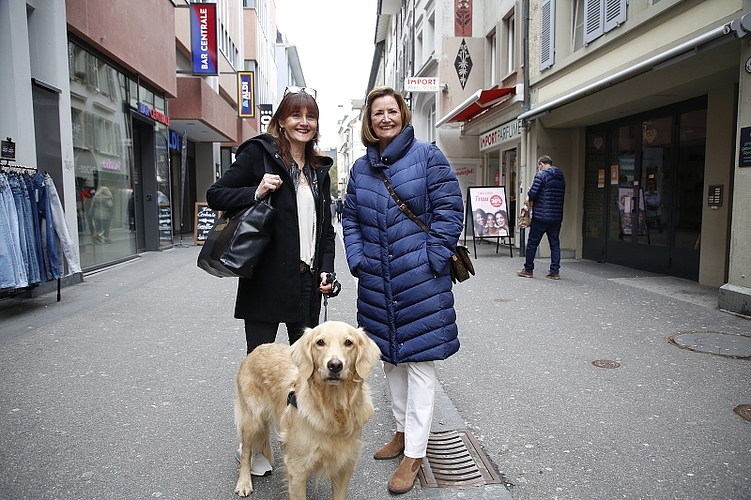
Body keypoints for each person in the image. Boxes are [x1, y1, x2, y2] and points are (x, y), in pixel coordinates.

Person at [206, 85, 336, 475]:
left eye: (310, 116)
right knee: (261, 371)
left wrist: (327, 268)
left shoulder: (318, 169)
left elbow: (325, 228)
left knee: (307, 372)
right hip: (265, 280)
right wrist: (256, 189)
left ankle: (304, 440)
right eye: (295, 115)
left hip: (306, 282)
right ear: (280, 119)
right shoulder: (258, 152)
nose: (303, 122)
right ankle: (254, 446)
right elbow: (217, 194)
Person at [341, 86, 464, 495]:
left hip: (421, 280)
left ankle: (415, 452)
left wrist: (433, 257)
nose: (385, 118)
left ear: (403, 114)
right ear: (369, 122)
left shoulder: (427, 156)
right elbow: (351, 219)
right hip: (377, 280)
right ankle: (399, 431)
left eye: (392, 111)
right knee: (390, 360)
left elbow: (450, 208)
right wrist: (357, 259)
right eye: (378, 113)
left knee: (421, 365)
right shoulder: (361, 169)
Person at [517, 155, 565, 280]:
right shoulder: (561, 177)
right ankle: (555, 271)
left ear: (542, 164)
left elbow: (533, 193)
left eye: (539, 166)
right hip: (556, 216)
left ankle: (528, 269)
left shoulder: (541, 175)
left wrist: (529, 192)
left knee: (533, 243)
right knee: (554, 243)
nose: (539, 168)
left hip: (541, 216)